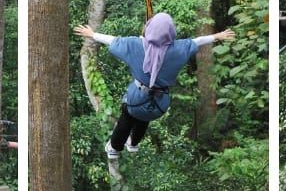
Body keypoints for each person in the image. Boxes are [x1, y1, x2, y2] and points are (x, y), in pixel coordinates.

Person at [73, 13, 235, 159]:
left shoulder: (135, 45)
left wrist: (92, 34)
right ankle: (133, 144)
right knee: (144, 117)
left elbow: (113, 40)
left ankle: (114, 149)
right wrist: (217, 36)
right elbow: (198, 41)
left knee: (126, 119)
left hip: (136, 100)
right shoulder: (179, 49)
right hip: (160, 104)